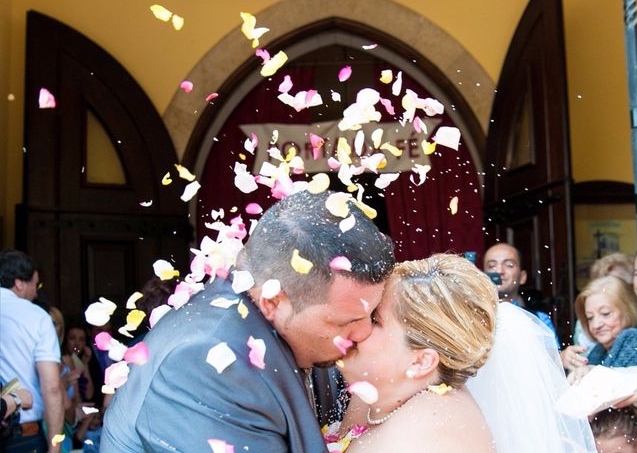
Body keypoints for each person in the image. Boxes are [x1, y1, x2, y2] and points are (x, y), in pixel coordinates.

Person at [101, 190, 395, 452]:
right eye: (346, 321)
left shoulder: (290, 330)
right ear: (272, 301)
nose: (364, 332)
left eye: (370, 315)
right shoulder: (206, 363)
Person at [335, 253, 596, 452]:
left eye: (375, 320)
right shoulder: (382, 394)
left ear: (421, 361)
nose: (357, 327)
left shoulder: (427, 431)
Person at [0, 248, 64, 453]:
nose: (36, 292)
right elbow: (52, 387)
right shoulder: (37, 317)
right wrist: (55, 448)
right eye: (35, 284)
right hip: (21, 436)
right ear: (19, 283)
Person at [569, 276, 637, 383]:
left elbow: (620, 387)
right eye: (590, 318)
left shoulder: (634, 339)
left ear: (628, 311)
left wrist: (591, 372)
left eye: (605, 313)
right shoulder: (599, 350)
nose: (596, 325)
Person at [483, 242, 559, 342]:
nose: (499, 271)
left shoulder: (538, 319)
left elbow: (553, 356)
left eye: (509, 265)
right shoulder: (473, 316)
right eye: (492, 266)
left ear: (522, 277)